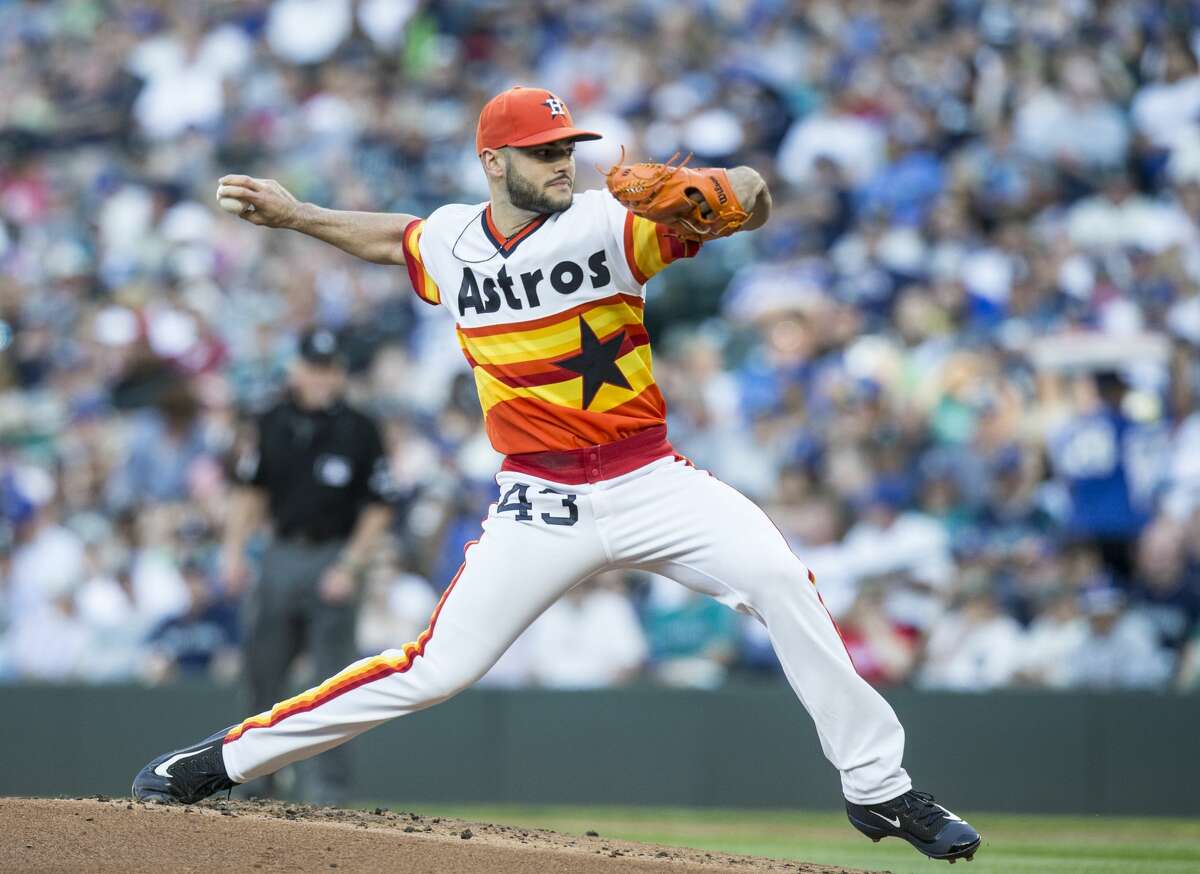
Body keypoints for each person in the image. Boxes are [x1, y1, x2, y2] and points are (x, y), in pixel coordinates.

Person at [133, 86, 981, 863]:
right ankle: (222, 760)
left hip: (650, 478)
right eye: (544, 151)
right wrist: (299, 215)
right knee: (436, 669)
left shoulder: (610, 221)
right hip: (540, 499)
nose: (562, 161)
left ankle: (880, 790)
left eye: (567, 147)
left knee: (780, 579)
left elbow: (746, 204)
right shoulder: (456, 240)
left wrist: (738, 184)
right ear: (494, 162)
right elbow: (395, 238)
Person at [221, 327, 395, 803]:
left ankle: (329, 794)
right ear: (296, 369)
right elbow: (249, 491)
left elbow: (379, 505)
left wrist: (351, 565)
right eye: (315, 368)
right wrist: (234, 552)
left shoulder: (360, 428)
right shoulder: (271, 421)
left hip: (332, 554)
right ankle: (256, 784)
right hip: (280, 552)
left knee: (333, 684)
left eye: (331, 369)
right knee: (262, 672)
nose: (323, 378)